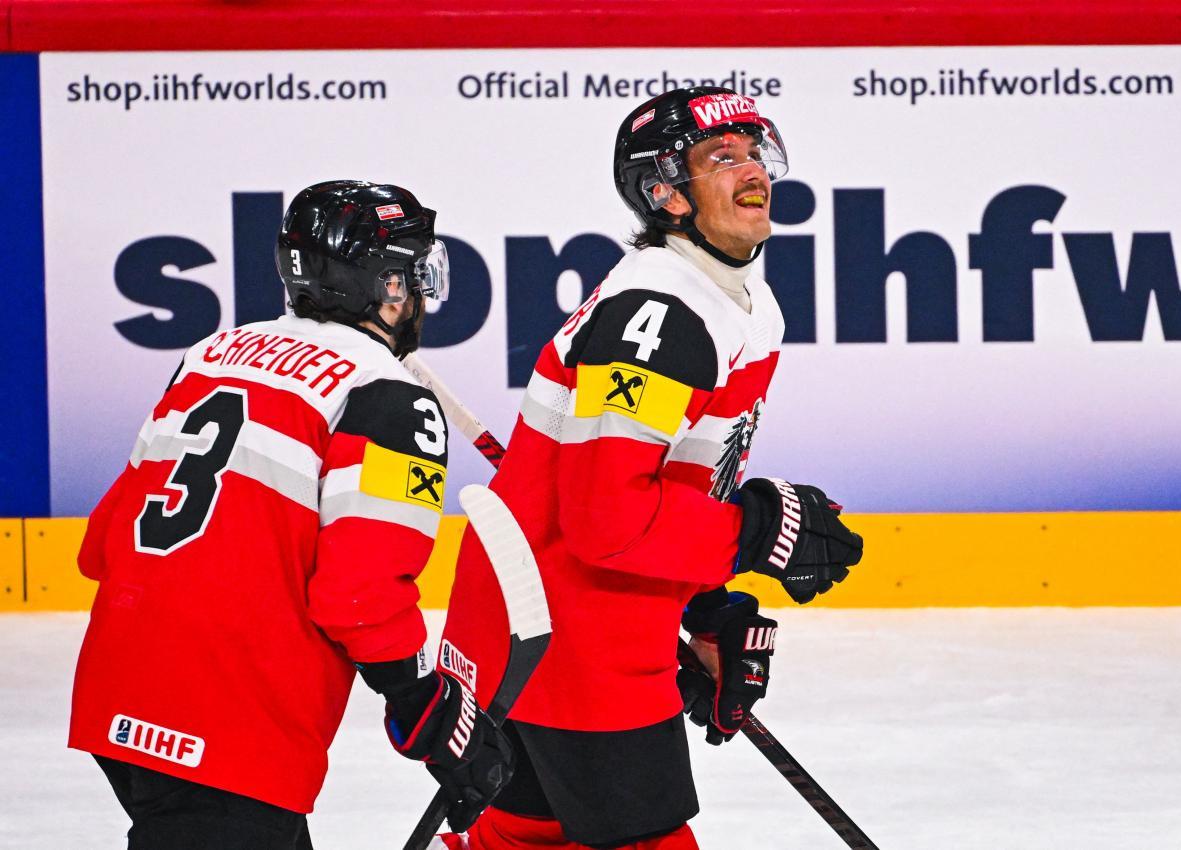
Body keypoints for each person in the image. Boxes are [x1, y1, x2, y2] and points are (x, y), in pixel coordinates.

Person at [436, 88, 864, 850]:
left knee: (527, 835)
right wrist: (750, 535)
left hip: (556, 617)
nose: (751, 169)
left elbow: (660, 493)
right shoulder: (660, 314)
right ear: (665, 193)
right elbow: (607, 517)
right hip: (562, 636)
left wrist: (703, 606)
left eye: (752, 151)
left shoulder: (732, 300)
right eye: (720, 158)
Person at [68, 180, 512, 849]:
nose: (420, 294)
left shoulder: (209, 356)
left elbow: (101, 546)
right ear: (389, 286)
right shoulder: (388, 398)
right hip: (228, 721)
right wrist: (421, 697)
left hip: (117, 693)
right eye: (416, 272)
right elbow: (358, 597)